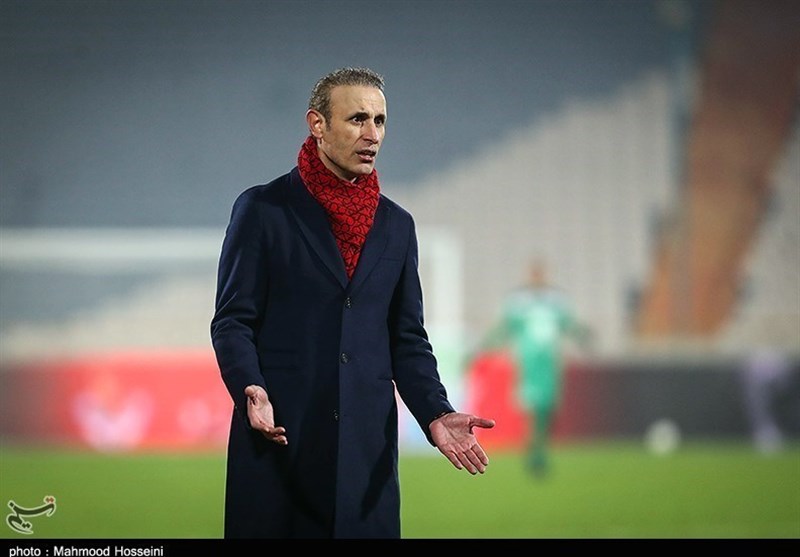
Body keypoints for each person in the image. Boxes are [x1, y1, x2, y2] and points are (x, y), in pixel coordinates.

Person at [210, 67, 495, 539]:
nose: (372, 134)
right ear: (317, 125)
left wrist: (436, 411)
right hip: (280, 444)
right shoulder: (263, 209)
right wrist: (249, 387)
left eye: (380, 121)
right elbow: (233, 321)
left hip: (366, 461)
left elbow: (407, 338)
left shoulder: (397, 226)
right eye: (357, 119)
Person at [478, 259, 587, 477]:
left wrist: (583, 336)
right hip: (528, 364)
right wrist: (487, 345)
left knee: (548, 409)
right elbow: (504, 328)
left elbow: (569, 325)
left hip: (550, 363)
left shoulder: (556, 301)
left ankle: (539, 447)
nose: (537, 277)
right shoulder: (519, 302)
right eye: (534, 273)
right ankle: (535, 453)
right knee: (531, 407)